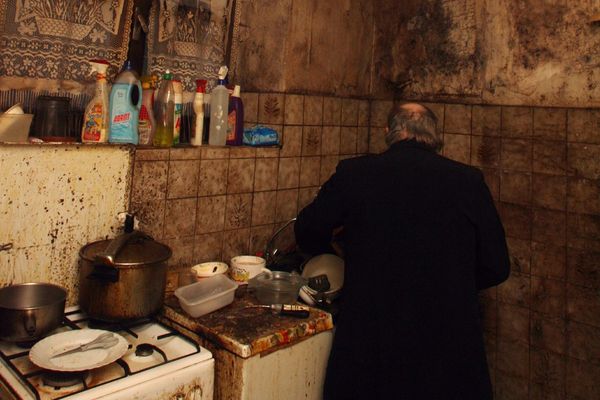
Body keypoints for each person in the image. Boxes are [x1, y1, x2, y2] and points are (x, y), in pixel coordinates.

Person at [294, 102, 510, 400]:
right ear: (434, 136)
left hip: (372, 345)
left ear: (389, 133)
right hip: (447, 350)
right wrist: (450, 283)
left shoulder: (355, 173)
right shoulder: (468, 181)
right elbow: (497, 266)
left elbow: (306, 230)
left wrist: (342, 254)